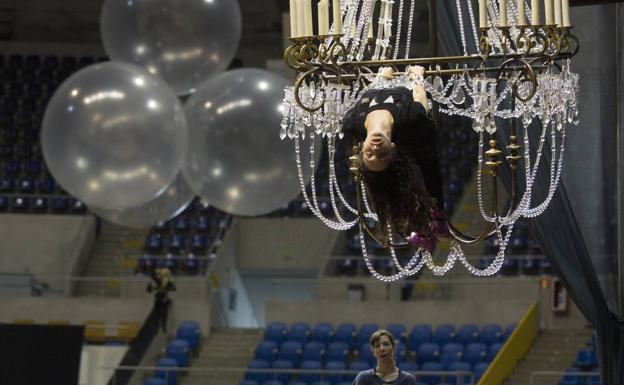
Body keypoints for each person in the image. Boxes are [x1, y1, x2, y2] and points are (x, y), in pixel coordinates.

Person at [342, 65, 448, 250]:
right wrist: (417, 76)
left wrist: (380, 78)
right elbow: (419, 96)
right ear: (392, 149)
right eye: (382, 155)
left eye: (369, 153)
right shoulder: (411, 120)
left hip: (385, 73)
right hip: (411, 72)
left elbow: (366, 94)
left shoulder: (353, 123)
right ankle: (434, 220)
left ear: (361, 147)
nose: (376, 148)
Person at [352, 329, 416, 385]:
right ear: (373, 352)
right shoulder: (363, 378)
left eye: (386, 344)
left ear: (394, 348)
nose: (382, 349)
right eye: (377, 346)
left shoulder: (407, 379)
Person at [147, 267, 176, 333]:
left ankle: (162, 325)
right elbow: (152, 276)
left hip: (162, 299)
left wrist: (168, 289)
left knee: (163, 313)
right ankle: (159, 326)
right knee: (160, 313)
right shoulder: (160, 281)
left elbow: (174, 288)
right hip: (159, 298)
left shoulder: (166, 282)